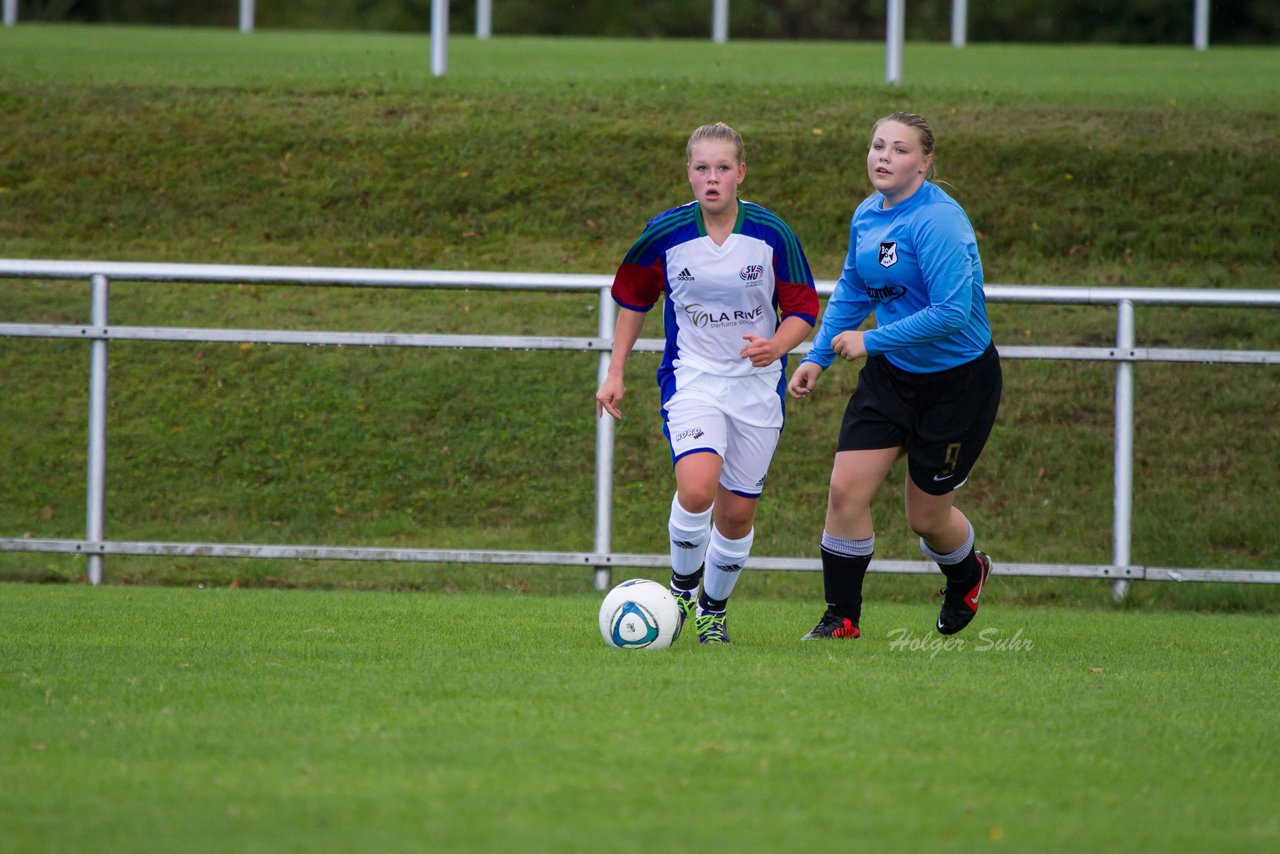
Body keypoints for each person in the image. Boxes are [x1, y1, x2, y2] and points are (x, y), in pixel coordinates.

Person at [596, 122, 819, 645]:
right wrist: (615, 371)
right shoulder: (666, 234)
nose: (712, 178)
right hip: (692, 377)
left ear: (740, 173)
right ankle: (678, 591)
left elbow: (804, 308)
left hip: (757, 387)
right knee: (697, 489)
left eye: (723, 168)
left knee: (737, 515)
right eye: (702, 168)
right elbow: (633, 299)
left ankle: (712, 612)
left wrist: (777, 346)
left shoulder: (771, 233)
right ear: (689, 174)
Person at [787, 111, 1001, 640]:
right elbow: (854, 289)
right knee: (844, 492)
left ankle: (967, 573)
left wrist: (870, 341)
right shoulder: (868, 214)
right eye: (877, 145)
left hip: (958, 382)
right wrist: (817, 356)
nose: (883, 157)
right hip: (891, 377)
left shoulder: (939, 221)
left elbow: (953, 314)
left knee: (926, 518)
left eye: (900, 150)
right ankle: (842, 619)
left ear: (925, 162)